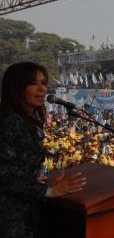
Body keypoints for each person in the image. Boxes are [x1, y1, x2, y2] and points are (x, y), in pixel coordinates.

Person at [0, 62, 87, 238]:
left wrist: (36, 180)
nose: (42, 89)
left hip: (26, 216)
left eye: (44, 82)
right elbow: (5, 176)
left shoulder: (26, 121)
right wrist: (49, 191)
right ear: (17, 88)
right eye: (34, 83)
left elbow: (16, 168)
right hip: (10, 219)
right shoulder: (10, 122)